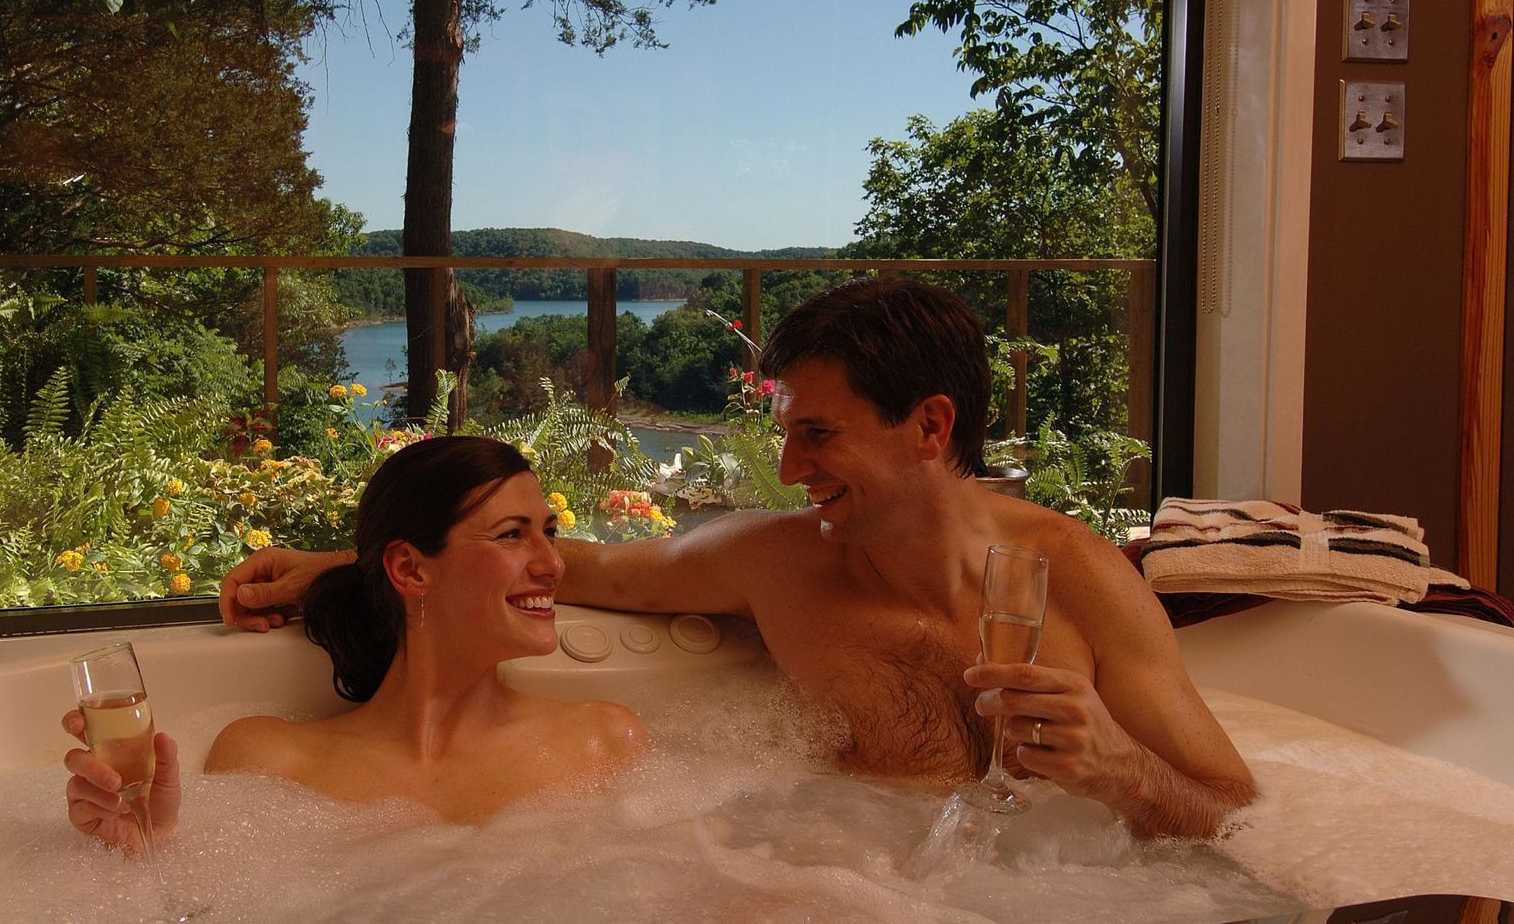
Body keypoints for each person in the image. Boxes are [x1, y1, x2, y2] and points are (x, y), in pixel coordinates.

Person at [224, 279, 1255, 840]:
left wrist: (1117, 767)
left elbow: (1234, 815)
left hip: (1071, 917)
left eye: (818, 434)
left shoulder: (1078, 581)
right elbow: (581, 568)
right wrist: (345, 559)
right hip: (870, 904)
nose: (789, 465)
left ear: (930, 426)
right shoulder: (778, 563)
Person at [64, 436, 647, 846]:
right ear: (411, 571)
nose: (553, 563)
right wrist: (144, 847)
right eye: (513, 536)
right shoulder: (267, 761)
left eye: (550, 532)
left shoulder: (603, 743)